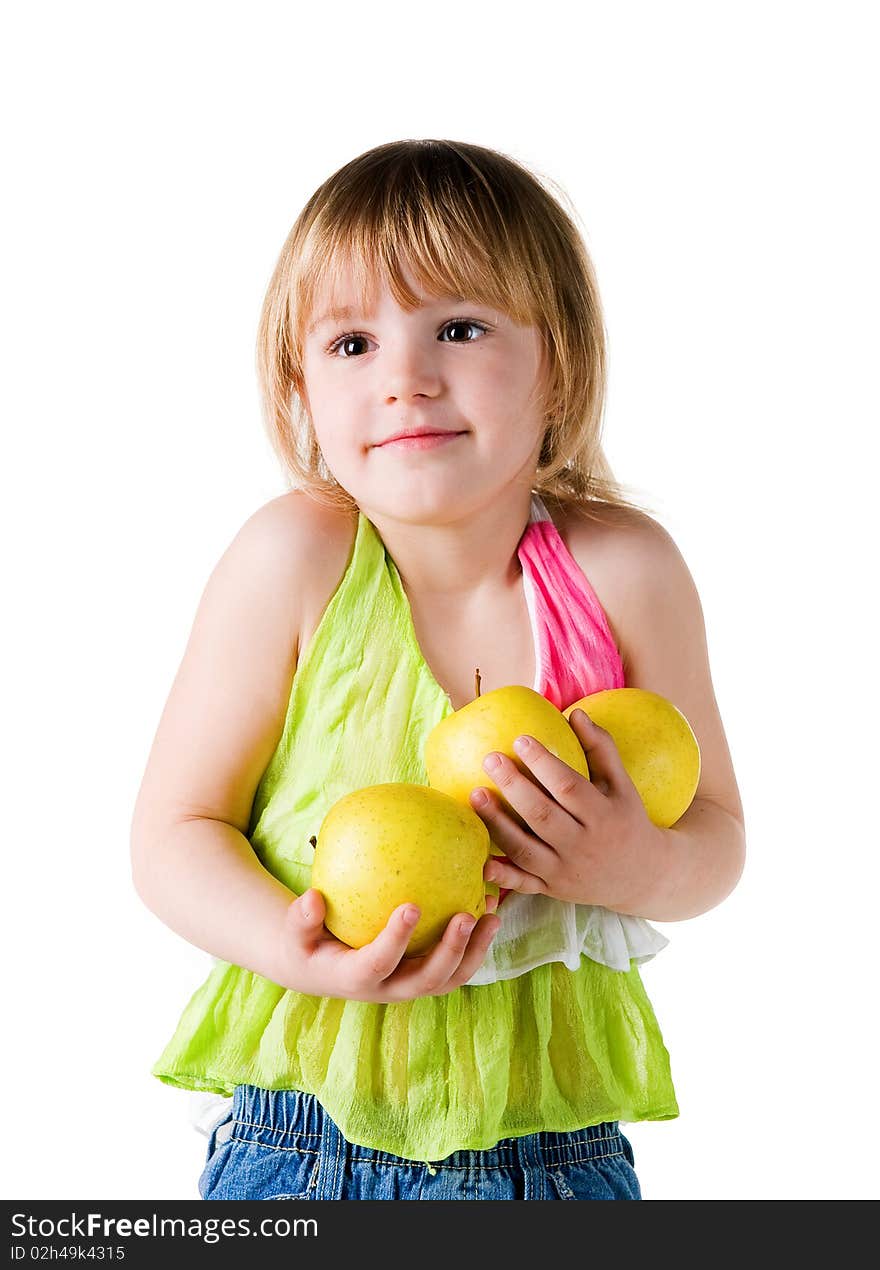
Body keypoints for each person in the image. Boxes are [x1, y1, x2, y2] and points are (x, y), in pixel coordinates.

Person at [130, 138, 746, 1202]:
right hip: (303, 1147)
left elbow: (718, 837)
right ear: (301, 386)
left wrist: (630, 865)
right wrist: (299, 950)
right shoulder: (293, 560)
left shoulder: (625, 570)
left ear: (559, 361)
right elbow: (172, 835)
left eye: (459, 328)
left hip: (555, 1157)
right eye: (353, 342)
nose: (406, 379)